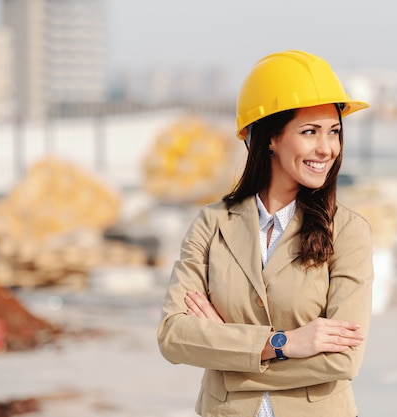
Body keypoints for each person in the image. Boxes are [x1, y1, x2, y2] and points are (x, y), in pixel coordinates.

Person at [157, 49, 374, 417]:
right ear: (270, 137)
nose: (327, 148)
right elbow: (174, 337)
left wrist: (228, 360)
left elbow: (342, 362)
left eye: (334, 132)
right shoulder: (212, 224)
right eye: (310, 132)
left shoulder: (348, 232)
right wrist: (284, 343)